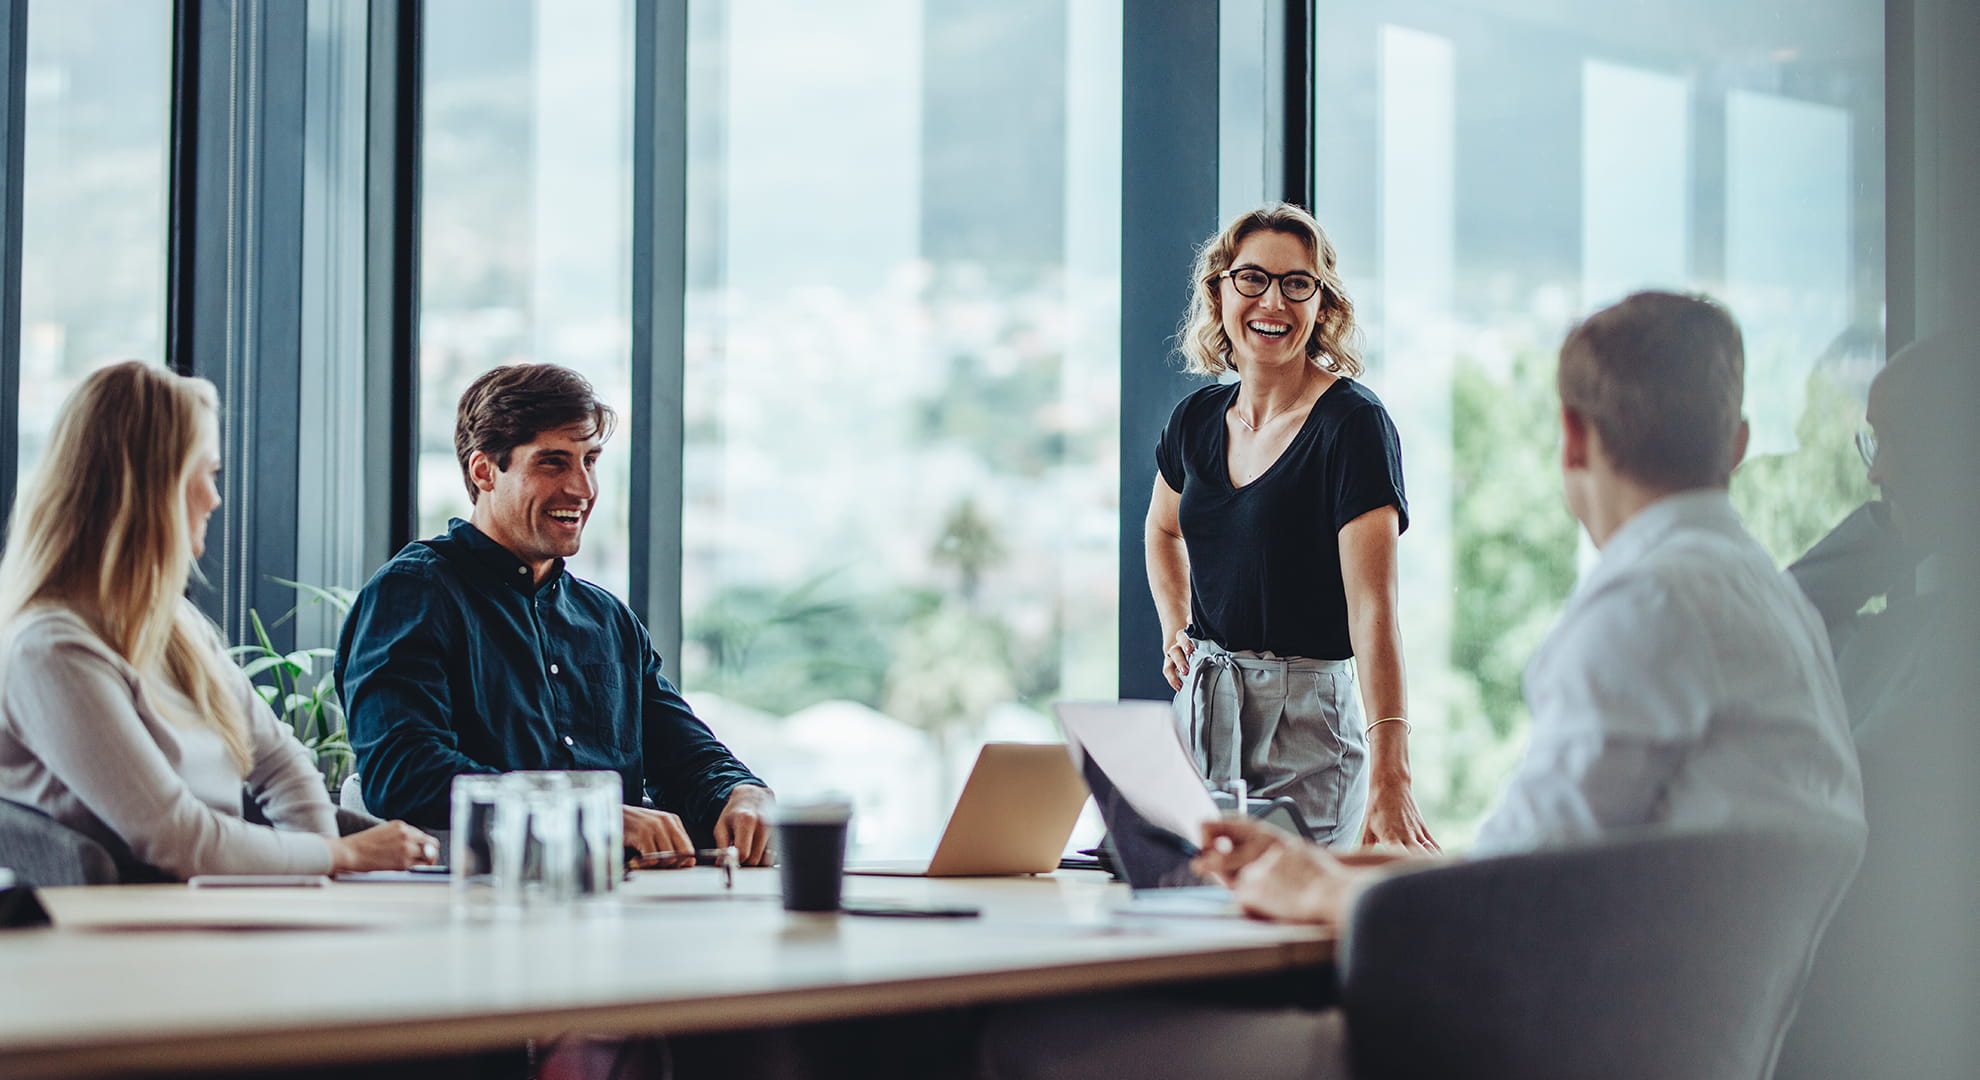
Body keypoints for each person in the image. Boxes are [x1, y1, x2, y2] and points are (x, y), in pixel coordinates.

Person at [978, 291, 1865, 1079]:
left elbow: (1516, 903)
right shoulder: (1770, 601)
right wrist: (1324, 864)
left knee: (1036, 1046)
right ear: (1738, 444)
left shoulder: (1644, 604)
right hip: (1651, 1039)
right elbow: (1560, 862)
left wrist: (1316, 890)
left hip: (1506, 1045)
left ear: (1573, 437)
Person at [0, 362, 435, 880]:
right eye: (205, 474)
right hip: (124, 936)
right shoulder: (51, 652)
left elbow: (279, 761)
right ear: (150, 489)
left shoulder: (172, 623)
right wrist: (341, 854)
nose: (215, 497)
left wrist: (318, 876)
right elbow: (176, 838)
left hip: (207, 910)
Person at [336, 363, 773, 866]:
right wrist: (586, 814)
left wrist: (741, 791)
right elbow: (404, 773)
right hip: (472, 909)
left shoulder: (607, 619)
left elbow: (685, 755)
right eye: (553, 463)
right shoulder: (413, 593)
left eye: (590, 461)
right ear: (484, 471)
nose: (583, 489)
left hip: (620, 905)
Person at [1148, 203, 1433, 849]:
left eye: (1296, 283)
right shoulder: (1195, 419)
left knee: (1291, 934)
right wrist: (1175, 626)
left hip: (1306, 723)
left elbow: (1374, 610)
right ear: (1219, 291)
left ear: (1322, 303)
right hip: (1201, 709)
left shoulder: (1353, 425)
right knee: (1190, 920)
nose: (1271, 301)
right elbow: (1163, 531)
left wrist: (1394, 773)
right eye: (1252, 278)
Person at [1776, 331, 1980, 1080]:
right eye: (1874, 443)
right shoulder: (1906, 629)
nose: (1878, 472)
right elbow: (1780, 622)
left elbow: (1854, 795)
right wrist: (1893, 528)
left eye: (1900, 444)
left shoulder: (1951, 652)